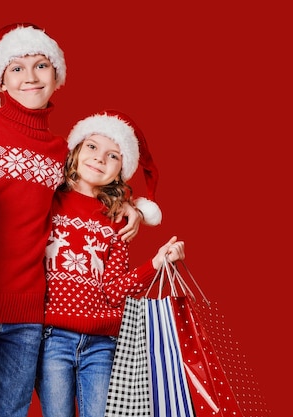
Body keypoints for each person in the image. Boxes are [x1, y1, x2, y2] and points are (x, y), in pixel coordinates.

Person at [0, 24, 143, 417]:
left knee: (10, 412)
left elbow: (91, 188)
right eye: (17, 68)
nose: (30, 77)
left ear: (57, 76)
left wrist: (133, 207)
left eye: (41, 65)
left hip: (28, 313)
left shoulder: (60, 151)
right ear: (0, 80)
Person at [35, 110, 185, 417]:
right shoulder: (46, 199)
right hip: (52, 339)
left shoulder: (117, 220)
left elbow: (115, 291)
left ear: (121, 171)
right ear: (75, 151)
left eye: (112, 155)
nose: (99, 159)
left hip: (102, 343)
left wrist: (154, 263)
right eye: (91, 146)